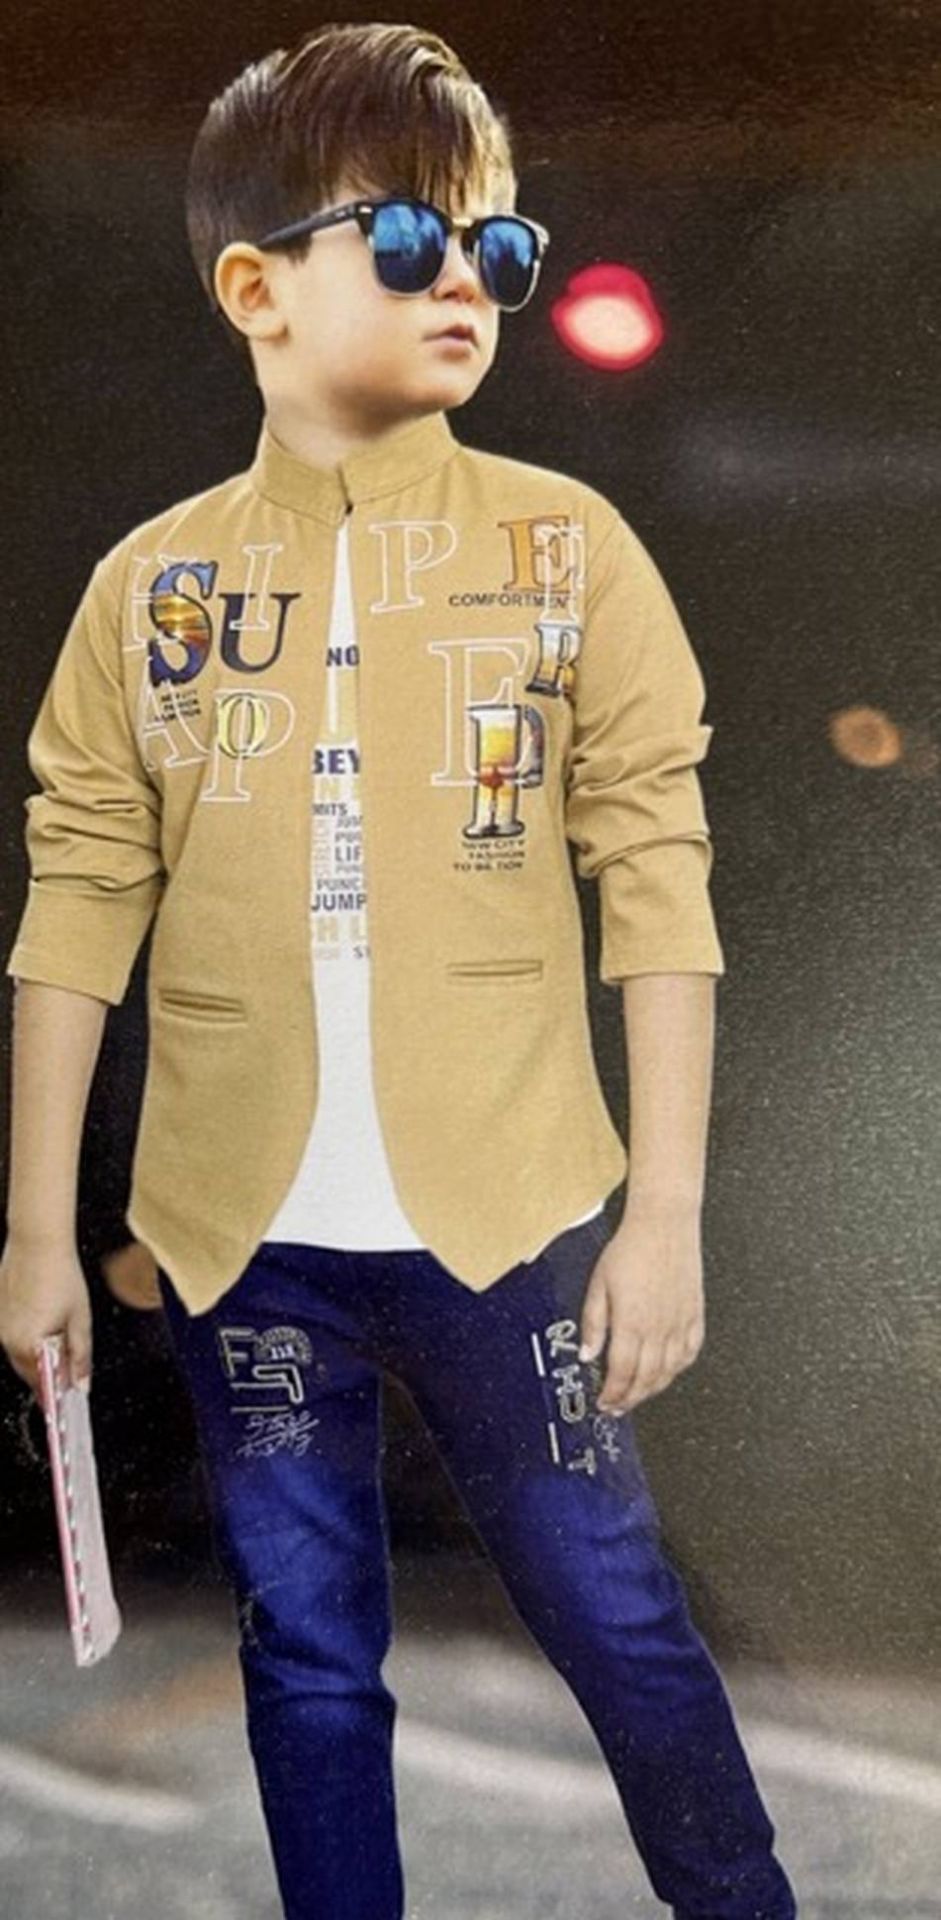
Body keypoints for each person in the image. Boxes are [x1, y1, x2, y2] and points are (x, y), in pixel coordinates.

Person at [0, 20, 798, 1919]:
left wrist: (662, 1215)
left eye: (498, 249)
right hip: (243, 1231)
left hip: (511, 1213)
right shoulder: (155, 589)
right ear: (254, 291)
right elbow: (79, 900)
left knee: (618, 1615)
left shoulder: (567, 552)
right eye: (414, 240)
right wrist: (39, 1233)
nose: (468, 284)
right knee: (304, 1653)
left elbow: (656, 883)